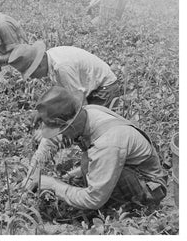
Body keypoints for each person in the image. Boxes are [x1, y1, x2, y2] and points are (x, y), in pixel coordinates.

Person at [23, 86, 167, 211]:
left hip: (148, 188)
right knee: (86, 164)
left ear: (70, 125)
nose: (60, 137)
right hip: (125, 163)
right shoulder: (86, 113)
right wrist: (32, 173)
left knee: (90, 172)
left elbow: (93, 199)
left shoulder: (107, 144)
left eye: (61, 132)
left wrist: (54, 185)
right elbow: (50, 142)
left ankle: (134, 207)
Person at [8, 41, 120, 107]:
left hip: (105, 89)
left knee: (94, 124)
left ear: (39, 65)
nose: (32, 77)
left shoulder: (62, 67)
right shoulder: (51, 57)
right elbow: (66, 94)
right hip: (92, 86)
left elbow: (79, 101)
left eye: (31, 73)